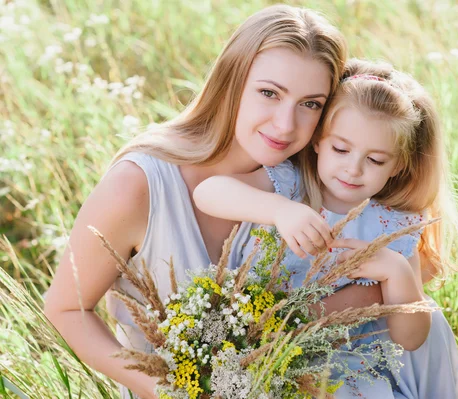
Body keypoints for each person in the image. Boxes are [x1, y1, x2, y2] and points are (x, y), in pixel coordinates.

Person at [42, 5, 364, 399]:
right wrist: (167, 390)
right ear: (232, 82)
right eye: (268, 93)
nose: (285, 124)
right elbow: (67, 309)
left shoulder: (310, 182)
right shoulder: (139, 184)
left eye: (310, 103)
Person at [194, 58, 458, 398]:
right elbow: (207, 192)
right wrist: (280, 211)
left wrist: (397, 273)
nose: (353, 169)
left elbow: (411, 339)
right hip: (261, 351)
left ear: (398, 165)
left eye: (375, 160)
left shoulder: (392, 226)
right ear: (318, 141)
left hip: (346, 371)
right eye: (341, 149)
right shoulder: (289, 186)